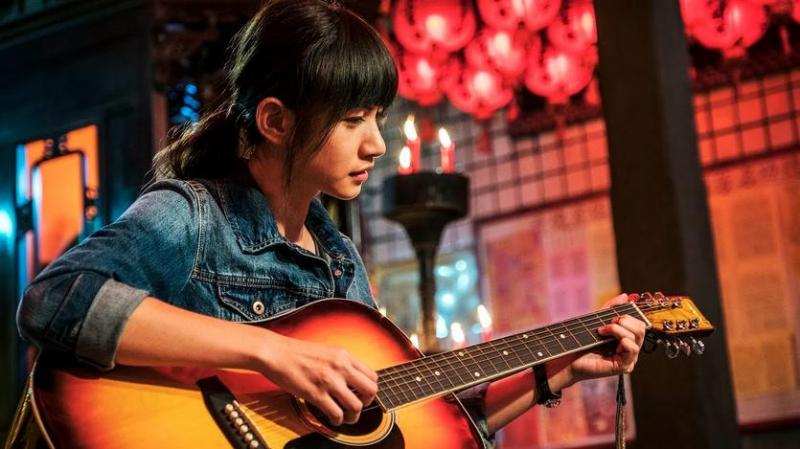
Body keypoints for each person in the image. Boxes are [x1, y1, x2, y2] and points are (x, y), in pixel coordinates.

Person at [16, 0, 646, 447]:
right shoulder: (192, 215)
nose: (377, 144)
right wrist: (271, 353)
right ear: (275, 121)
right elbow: (54, 299)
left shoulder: (340, 260)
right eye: (352, 121)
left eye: (378, 118)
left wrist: (564, 365)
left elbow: (428, 425)